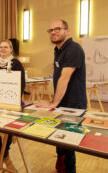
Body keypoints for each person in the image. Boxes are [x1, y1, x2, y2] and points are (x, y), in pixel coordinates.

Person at [35, 20, 86, 173]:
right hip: (62, 104)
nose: (53, 32)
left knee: (68, 143)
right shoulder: (58, 50)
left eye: (57, 29)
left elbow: (65, 78)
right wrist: (55, 102)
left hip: (73, 104)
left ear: (67, 31)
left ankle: (69, 170)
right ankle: (61, 168)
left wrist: (53, 103)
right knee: (59, 138)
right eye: (50, 30)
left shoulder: (73, 49)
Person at [0, 39, 25, 172]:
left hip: (9, 100)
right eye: (1, 47)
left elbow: (21, 82)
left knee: (7, 126)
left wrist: (16, 99)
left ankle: (5, 149)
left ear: (11, 49)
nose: (3, 49)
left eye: (6, 47)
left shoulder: (16, 63)